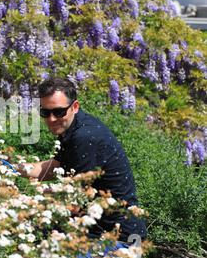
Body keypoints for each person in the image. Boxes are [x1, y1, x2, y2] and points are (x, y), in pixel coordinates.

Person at [16, 77, 147, 246]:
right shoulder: (74, 127)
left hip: (118, 239)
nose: (51, 119)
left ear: (75, 107)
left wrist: (27, 202)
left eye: (59, 112)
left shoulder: (84, 137)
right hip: (95, 231)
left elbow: (75, 199)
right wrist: (13, 168)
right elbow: (55, 167)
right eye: (45, 112)